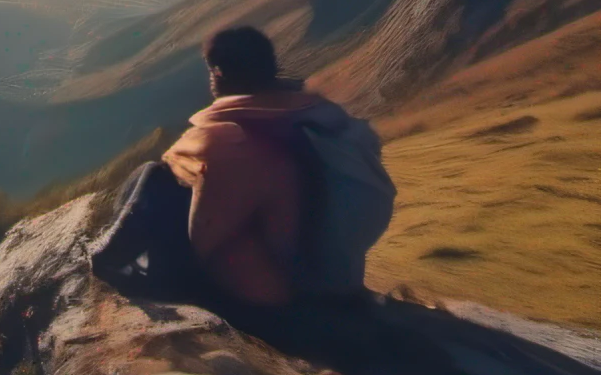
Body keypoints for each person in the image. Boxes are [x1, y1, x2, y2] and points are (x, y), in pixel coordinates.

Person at [90, 25, 395, 312]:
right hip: (333, 283)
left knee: (154, 177)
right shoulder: (328, 122)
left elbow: (203, 234)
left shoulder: (226, 135)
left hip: (272, 302)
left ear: (218, 72)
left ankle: (106, 260)